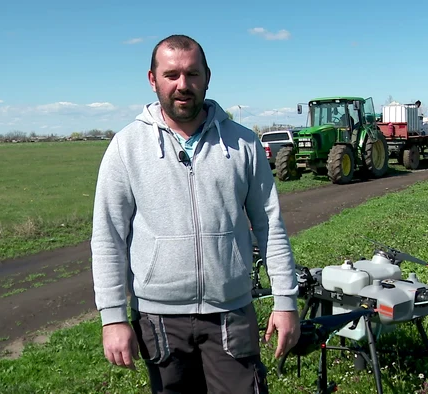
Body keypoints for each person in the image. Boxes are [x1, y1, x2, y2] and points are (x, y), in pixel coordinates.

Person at [90, 34, 301, 394]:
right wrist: (112, 317)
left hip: (230, 313)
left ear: (207, 76)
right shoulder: (126, 146)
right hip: (159, 320)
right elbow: (109, 236)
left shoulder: (243, 143)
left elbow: (270, 226)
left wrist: (285, 302)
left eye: (192, 74)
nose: (182, 85)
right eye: (171, 74)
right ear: (152, 79)